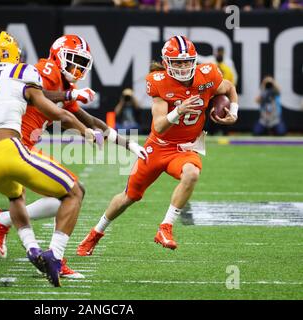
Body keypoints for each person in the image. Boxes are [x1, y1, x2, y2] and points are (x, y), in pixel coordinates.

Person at [0, 34, 147, 279]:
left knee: (63, 198)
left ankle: (3, 222)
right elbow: (33, 93)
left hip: (21, 146)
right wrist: (69, 97)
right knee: (74, 191)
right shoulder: (45, 70)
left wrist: (128, 144)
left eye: (82, 63)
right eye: (73, 60)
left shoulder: (64, 86)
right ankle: (54, 258)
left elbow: (90, 121)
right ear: (58, 56)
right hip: (15, 145)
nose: (77, 68)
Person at [0, 30, 100, 287]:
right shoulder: (22, 72)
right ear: (15, 54)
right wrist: (85, 130)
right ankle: (54, 257)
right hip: (12, 149)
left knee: (16, 197)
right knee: (74, 192)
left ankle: (32, 248)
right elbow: (56, 113)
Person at [77, 35, 238, 256]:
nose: (183, 67)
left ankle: (165, 228)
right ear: (166, 63)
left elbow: (229, 88)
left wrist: (234, 113)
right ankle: (95, 233)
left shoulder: (207, 75)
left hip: (185, 148)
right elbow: (160, 126)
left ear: (194, 60)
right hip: (158, 146)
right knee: (129, 196)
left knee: (191, 174)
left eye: (187, 61)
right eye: (178, 62)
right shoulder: (159, 81)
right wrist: (178, 110)